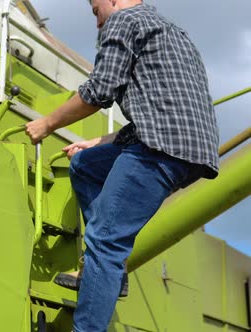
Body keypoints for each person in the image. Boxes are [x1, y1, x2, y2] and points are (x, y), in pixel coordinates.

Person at [25, 0, 219, 331]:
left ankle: (98, 288)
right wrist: (96, 143)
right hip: (189, 151)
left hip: (159, 149)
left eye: (96, 11)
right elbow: (160, 111)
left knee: (104, 238)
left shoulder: (124, 21)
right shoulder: (175, 33)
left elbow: (98, 91)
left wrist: (47, 123)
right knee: (85, 164)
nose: (98, 24)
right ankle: (109, 272)